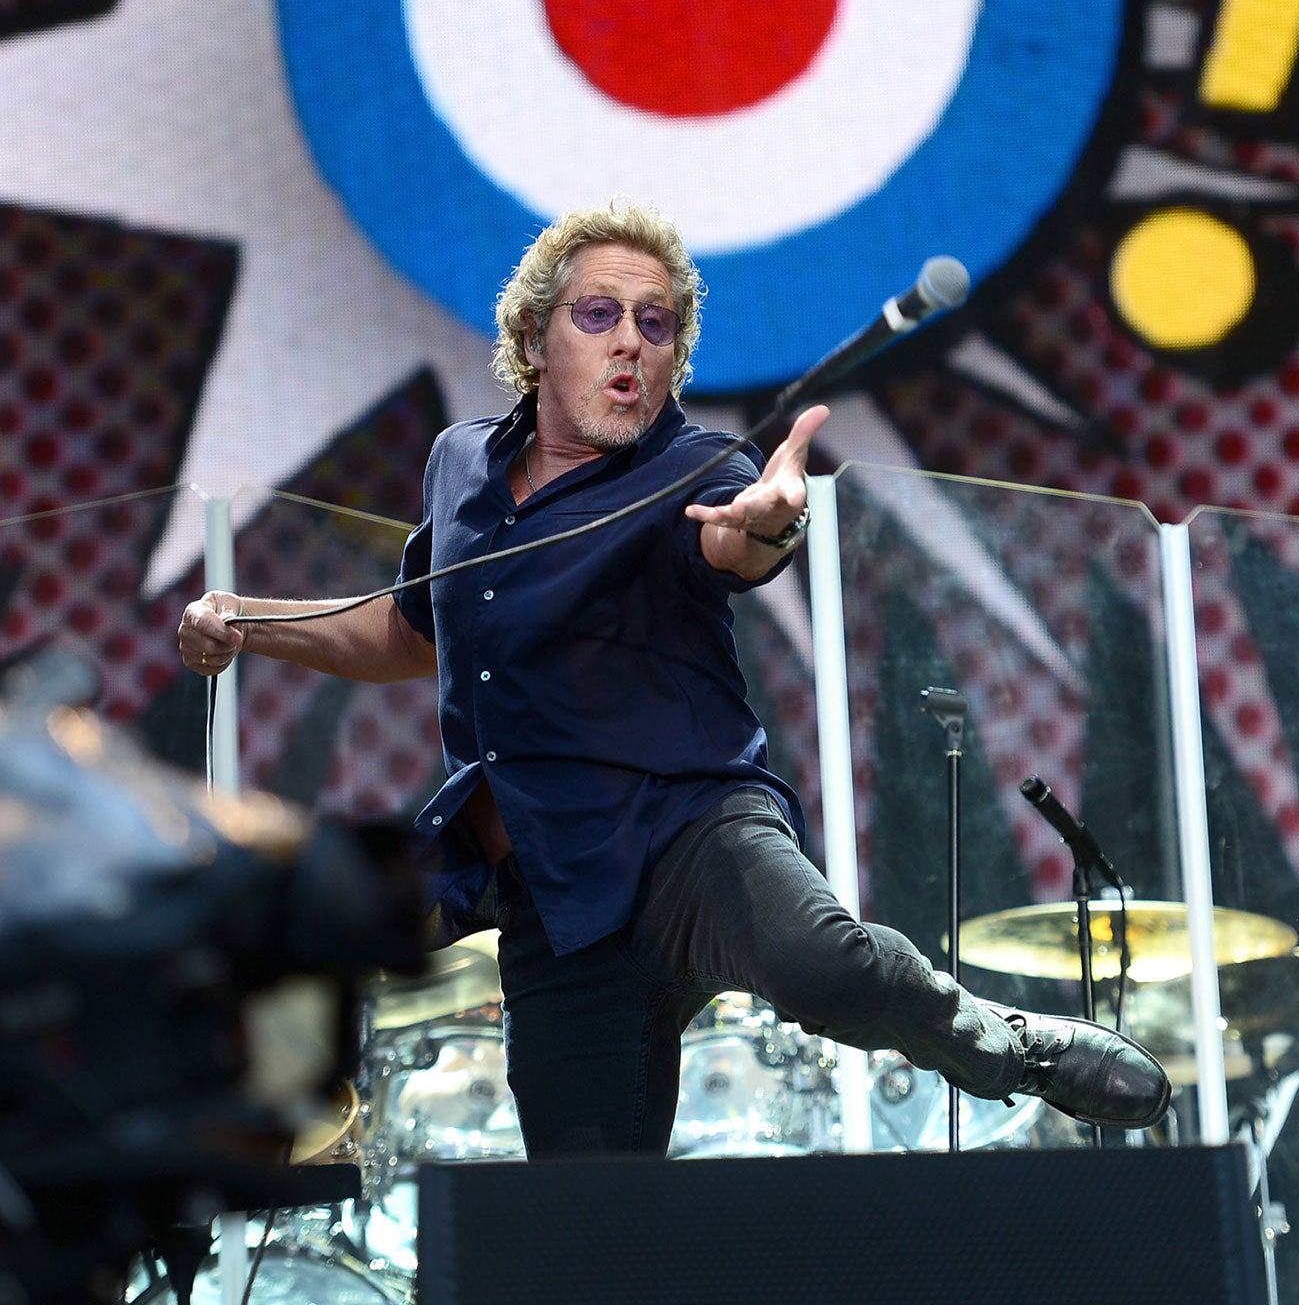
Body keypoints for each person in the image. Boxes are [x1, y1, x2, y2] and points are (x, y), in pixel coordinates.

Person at [178, 199, 1168, 1155]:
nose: (629, 344)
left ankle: (1000, 1042)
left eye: (656, 325)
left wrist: (767, 524)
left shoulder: (696, 469)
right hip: (550, 894)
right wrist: (248, 621)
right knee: (585, 1223)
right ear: (532, 341)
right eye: (599, 315)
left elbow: (741, 541)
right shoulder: (459, 464)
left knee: (821, 964)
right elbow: (407, 631)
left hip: (688, 836)